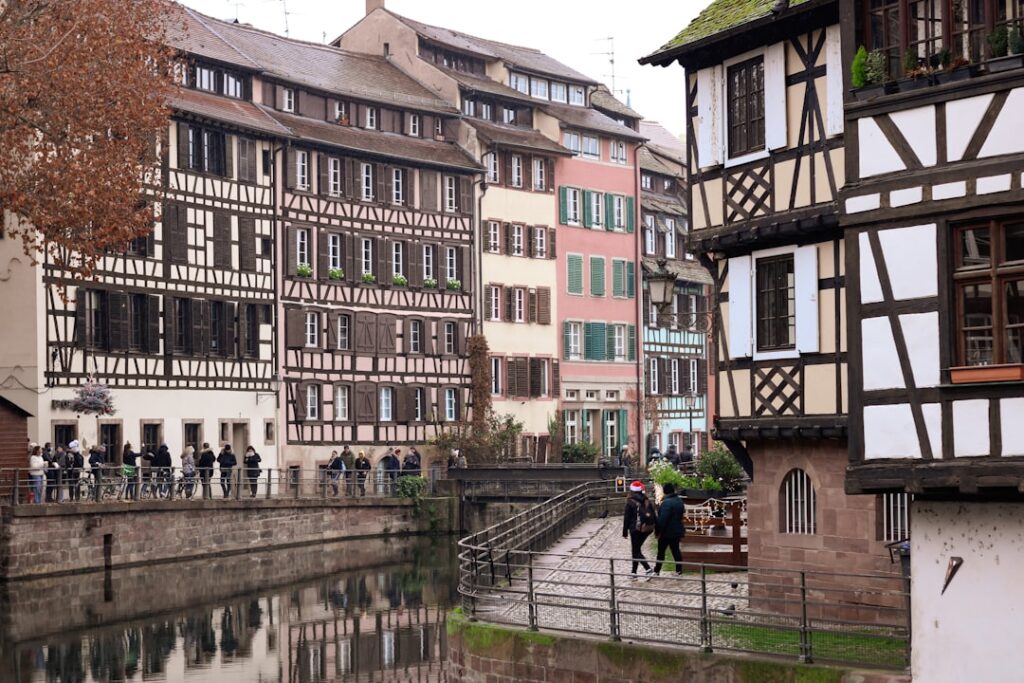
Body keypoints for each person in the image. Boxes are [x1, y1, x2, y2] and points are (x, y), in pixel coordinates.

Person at [622, 480, 656, 576]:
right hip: (647, 529)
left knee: (636, 551)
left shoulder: (630, 502)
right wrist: (657, 529)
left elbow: (626, 518)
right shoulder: (647, 500)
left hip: (635, 529)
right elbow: (654, 515)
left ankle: (648, 569)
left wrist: (625, 532)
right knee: (636, 549)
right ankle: (634, 572)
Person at [653, 482, 686, 576]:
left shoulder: (666, 503)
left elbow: (663, 519)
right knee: (676, 550)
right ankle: (679, 570)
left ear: (665, 491)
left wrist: (658, 531)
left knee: (661, 552)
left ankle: (656, 571)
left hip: (666, 532)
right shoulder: (679, 501)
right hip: (677, 530)